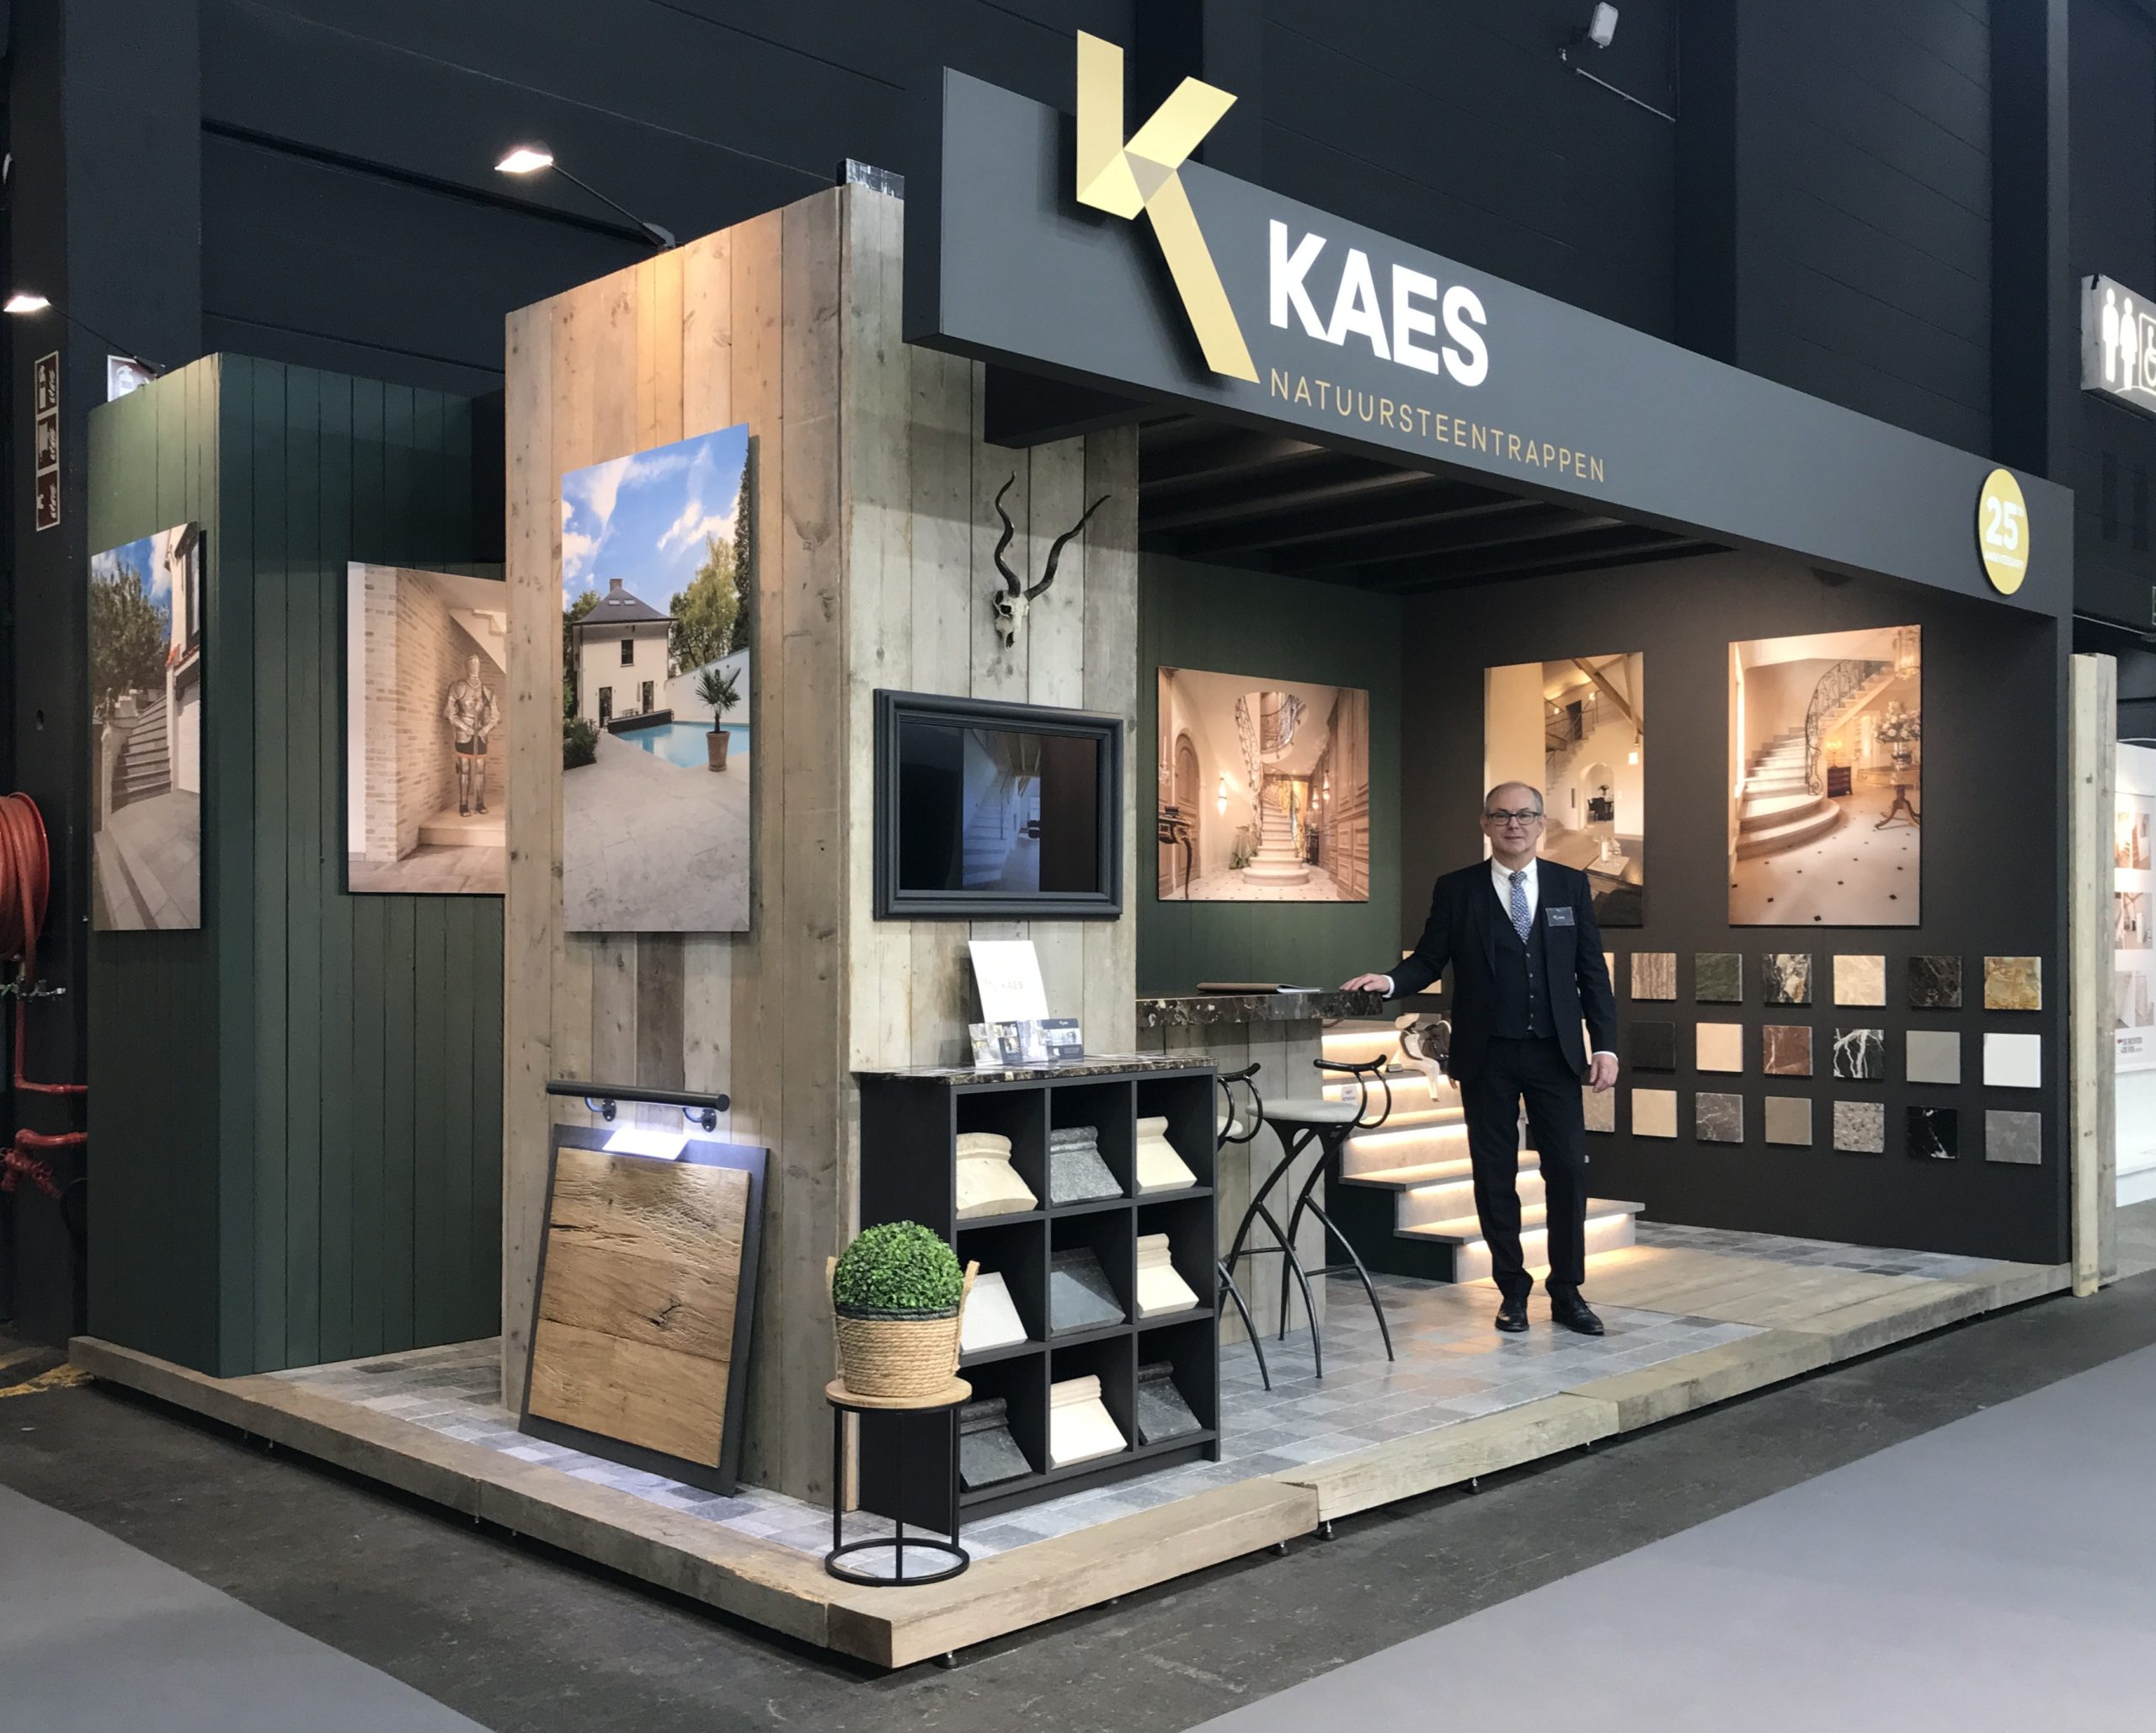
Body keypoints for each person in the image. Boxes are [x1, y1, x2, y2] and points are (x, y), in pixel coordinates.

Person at [1343, 781, 1619, 1336]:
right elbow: (1430, 959)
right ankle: (1512, 1289)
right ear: (1485, 823)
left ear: (1541, 823)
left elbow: (1591, 971)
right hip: (1485, 1054)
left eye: (1524, 815)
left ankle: (1567, 1291)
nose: (1514, 824)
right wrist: (1390, 981)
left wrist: (1605, 1043)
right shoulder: (1458, 889)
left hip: (1554, 1052)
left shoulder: (1569, 885)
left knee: (1567, 1169)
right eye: (1502, 815)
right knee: (1494, 1175)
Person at [444, 655, 503, 818]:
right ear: (467, 665)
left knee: (480, 769)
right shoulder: (459, 686)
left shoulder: (487, 691)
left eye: (477, 664)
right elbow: (449, 712)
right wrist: (464, 726)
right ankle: (463, 804)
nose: (475, 666)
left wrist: (487, 728)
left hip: (481, 732)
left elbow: (495, 715)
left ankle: (479, 802)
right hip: (464, 732)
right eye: (472, 663)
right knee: (464, 769)